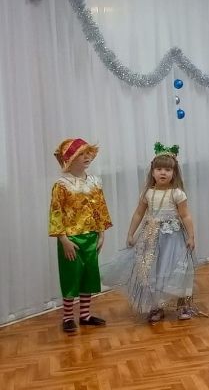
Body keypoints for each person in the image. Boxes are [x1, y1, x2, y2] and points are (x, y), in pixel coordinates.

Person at [105, 143, 196, 323]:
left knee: (177, 270)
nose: (163, 173)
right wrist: (130, 233)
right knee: (153, 270)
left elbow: (185, 215)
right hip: (151, 239)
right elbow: (139, 213)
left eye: (168, 170)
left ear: (174, 173)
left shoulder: (177, 193)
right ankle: (157, 306)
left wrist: (191, 236)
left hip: (173, 239)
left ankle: (182, 304)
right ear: (152, 172)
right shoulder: (147, 193)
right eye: (159, 169)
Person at [49, 138, 113, 333]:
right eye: (81, 154)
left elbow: (99, 208)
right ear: (70, 158)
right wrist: (63, 240)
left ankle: (85, 315)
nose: (87, 157)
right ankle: (68, 317)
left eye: (88, 153)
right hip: (71, 239)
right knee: (71, 276)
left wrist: (101, 233)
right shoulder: (62, 185)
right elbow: (56, 213)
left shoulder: (94, 182)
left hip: (91, 236)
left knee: (89, 274)